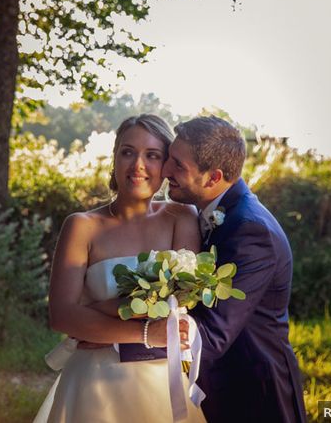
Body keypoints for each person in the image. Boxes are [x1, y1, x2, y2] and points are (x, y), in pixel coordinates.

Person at [128, 116, 306, 423]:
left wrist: (120, 336)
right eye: (169, 158)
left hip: (252, 398)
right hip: (215, 391)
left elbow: (212, 335)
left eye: (178, 165)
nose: (166, 170)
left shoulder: (251, 231)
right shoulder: (203, 212)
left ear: (214, 177)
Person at [34, 115, 205, 423]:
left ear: (166, 165)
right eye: (127, 152)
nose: (138, 165)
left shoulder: (182, 218)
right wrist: (144, 333)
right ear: (114, 159)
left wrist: (99, 315)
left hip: (163, 385)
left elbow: (181, 308)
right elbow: (61, 315)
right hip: (95, 384)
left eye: (152, 155)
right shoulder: (81, 226)